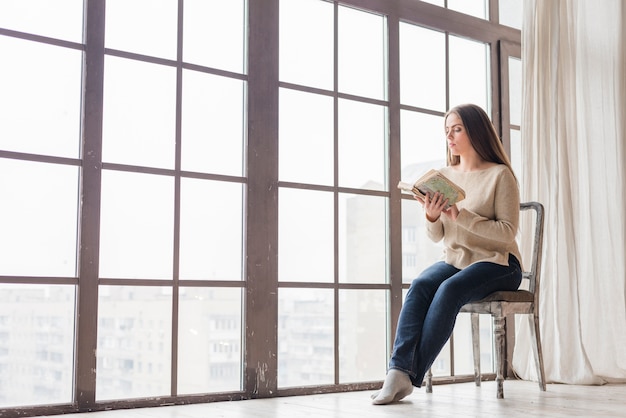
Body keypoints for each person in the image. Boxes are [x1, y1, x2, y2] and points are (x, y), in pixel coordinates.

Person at [371, 103, 523, 405]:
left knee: (449, 290)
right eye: (447, 131)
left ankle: (408, 376)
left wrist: (460, 215)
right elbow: (438, 236)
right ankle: (397, 372)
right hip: (456, 259)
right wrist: (431, 217)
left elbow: (507, 232)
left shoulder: (499, 175)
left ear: (476, 131)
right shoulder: (443, 175)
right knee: (420, 286)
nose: (450, 136)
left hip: (500, 262)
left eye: (457, 129)